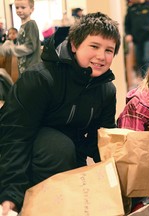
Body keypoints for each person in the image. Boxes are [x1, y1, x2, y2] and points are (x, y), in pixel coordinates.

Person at [0, 12, 121, 215]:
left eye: (109, 50)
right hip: (25, 155)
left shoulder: (106, 90)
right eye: (94, 46)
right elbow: (14, 138)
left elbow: (101, 141)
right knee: (58, 145)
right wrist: (11, 195)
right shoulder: (39, 79)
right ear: (74, 45)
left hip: (66, 160)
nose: (101, 56)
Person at [0, 0, 41, 77]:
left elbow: (30, 47)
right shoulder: (23, 26)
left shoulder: (31, 24)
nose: (19, 10)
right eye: (17, 7)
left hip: (32, 69)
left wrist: (10, 49)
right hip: (23, 68)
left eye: (23, 7)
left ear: (31, 9)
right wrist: (10, 43)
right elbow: (21, 44)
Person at [124, 0, 149, 79]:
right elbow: (127, 24)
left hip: (148, 38)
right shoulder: (131, 8)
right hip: (136, 39)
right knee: (140, 61)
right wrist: (128, 34)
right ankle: (144, 80)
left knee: (148, 58)